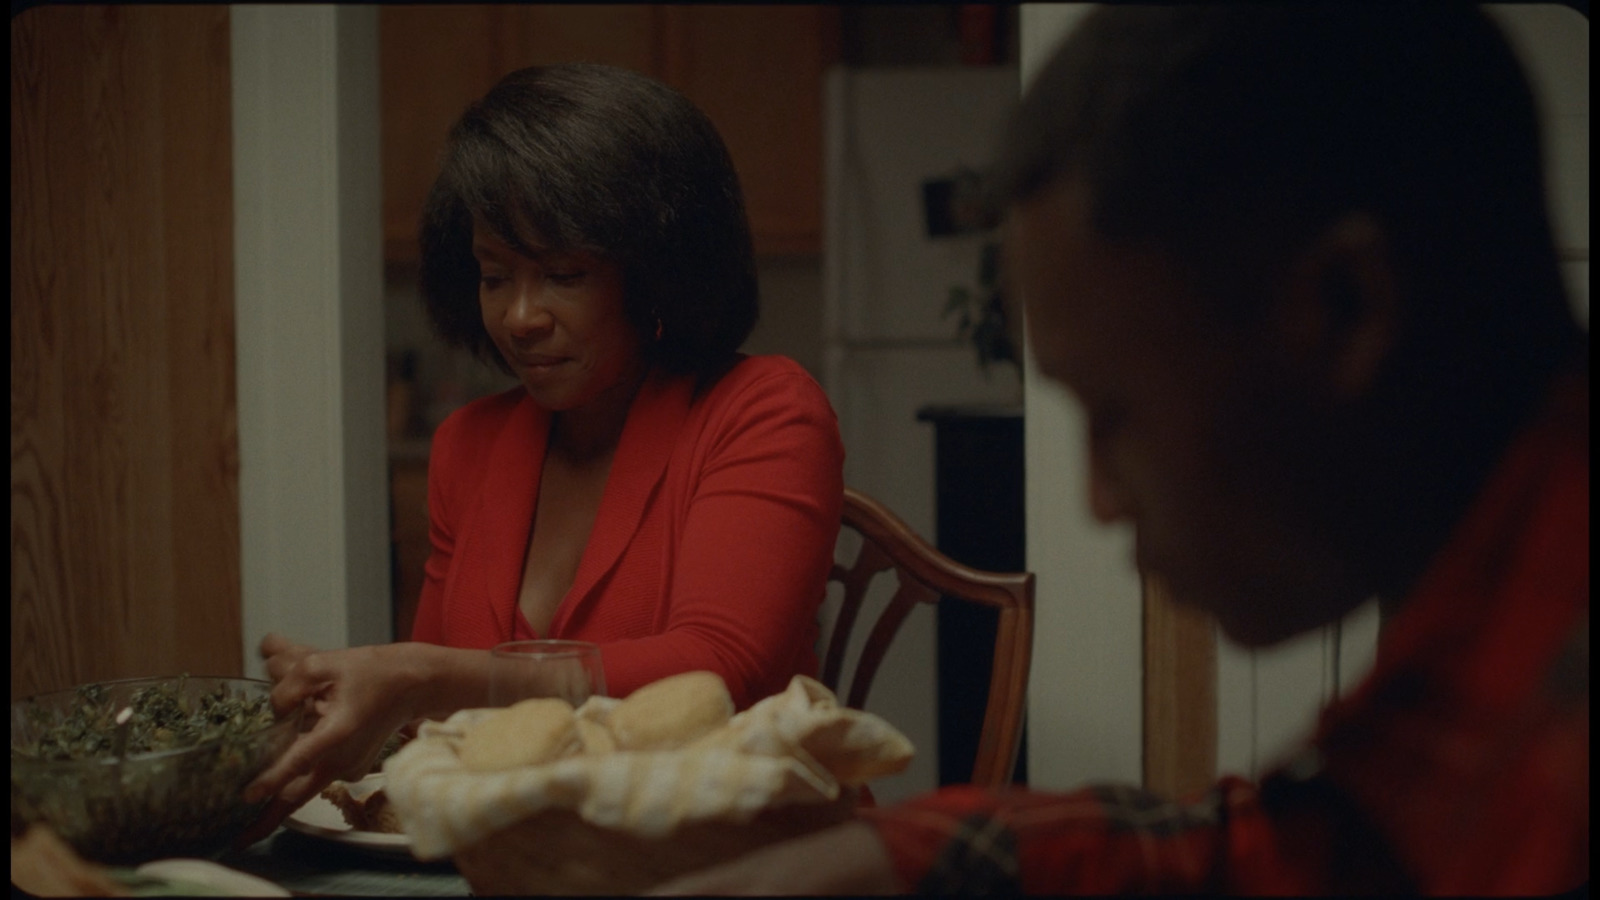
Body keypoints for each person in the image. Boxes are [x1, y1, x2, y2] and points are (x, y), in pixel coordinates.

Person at [655, 6, 1588, 895]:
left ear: (1344, 310)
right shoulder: (1484, 644)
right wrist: (891, 860)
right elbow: (1309, 857)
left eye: (1116, 411)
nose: (1098, 499)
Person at [238, 63, 846, 843]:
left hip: (730, 861)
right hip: (518, 862)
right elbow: (441, 731)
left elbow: (718, 672)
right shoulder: (469, 445)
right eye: (496, 276)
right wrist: (355, 716)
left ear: (655, 273)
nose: (520, 316)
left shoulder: (761, 412)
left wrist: (419, 676)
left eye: (563, 274)